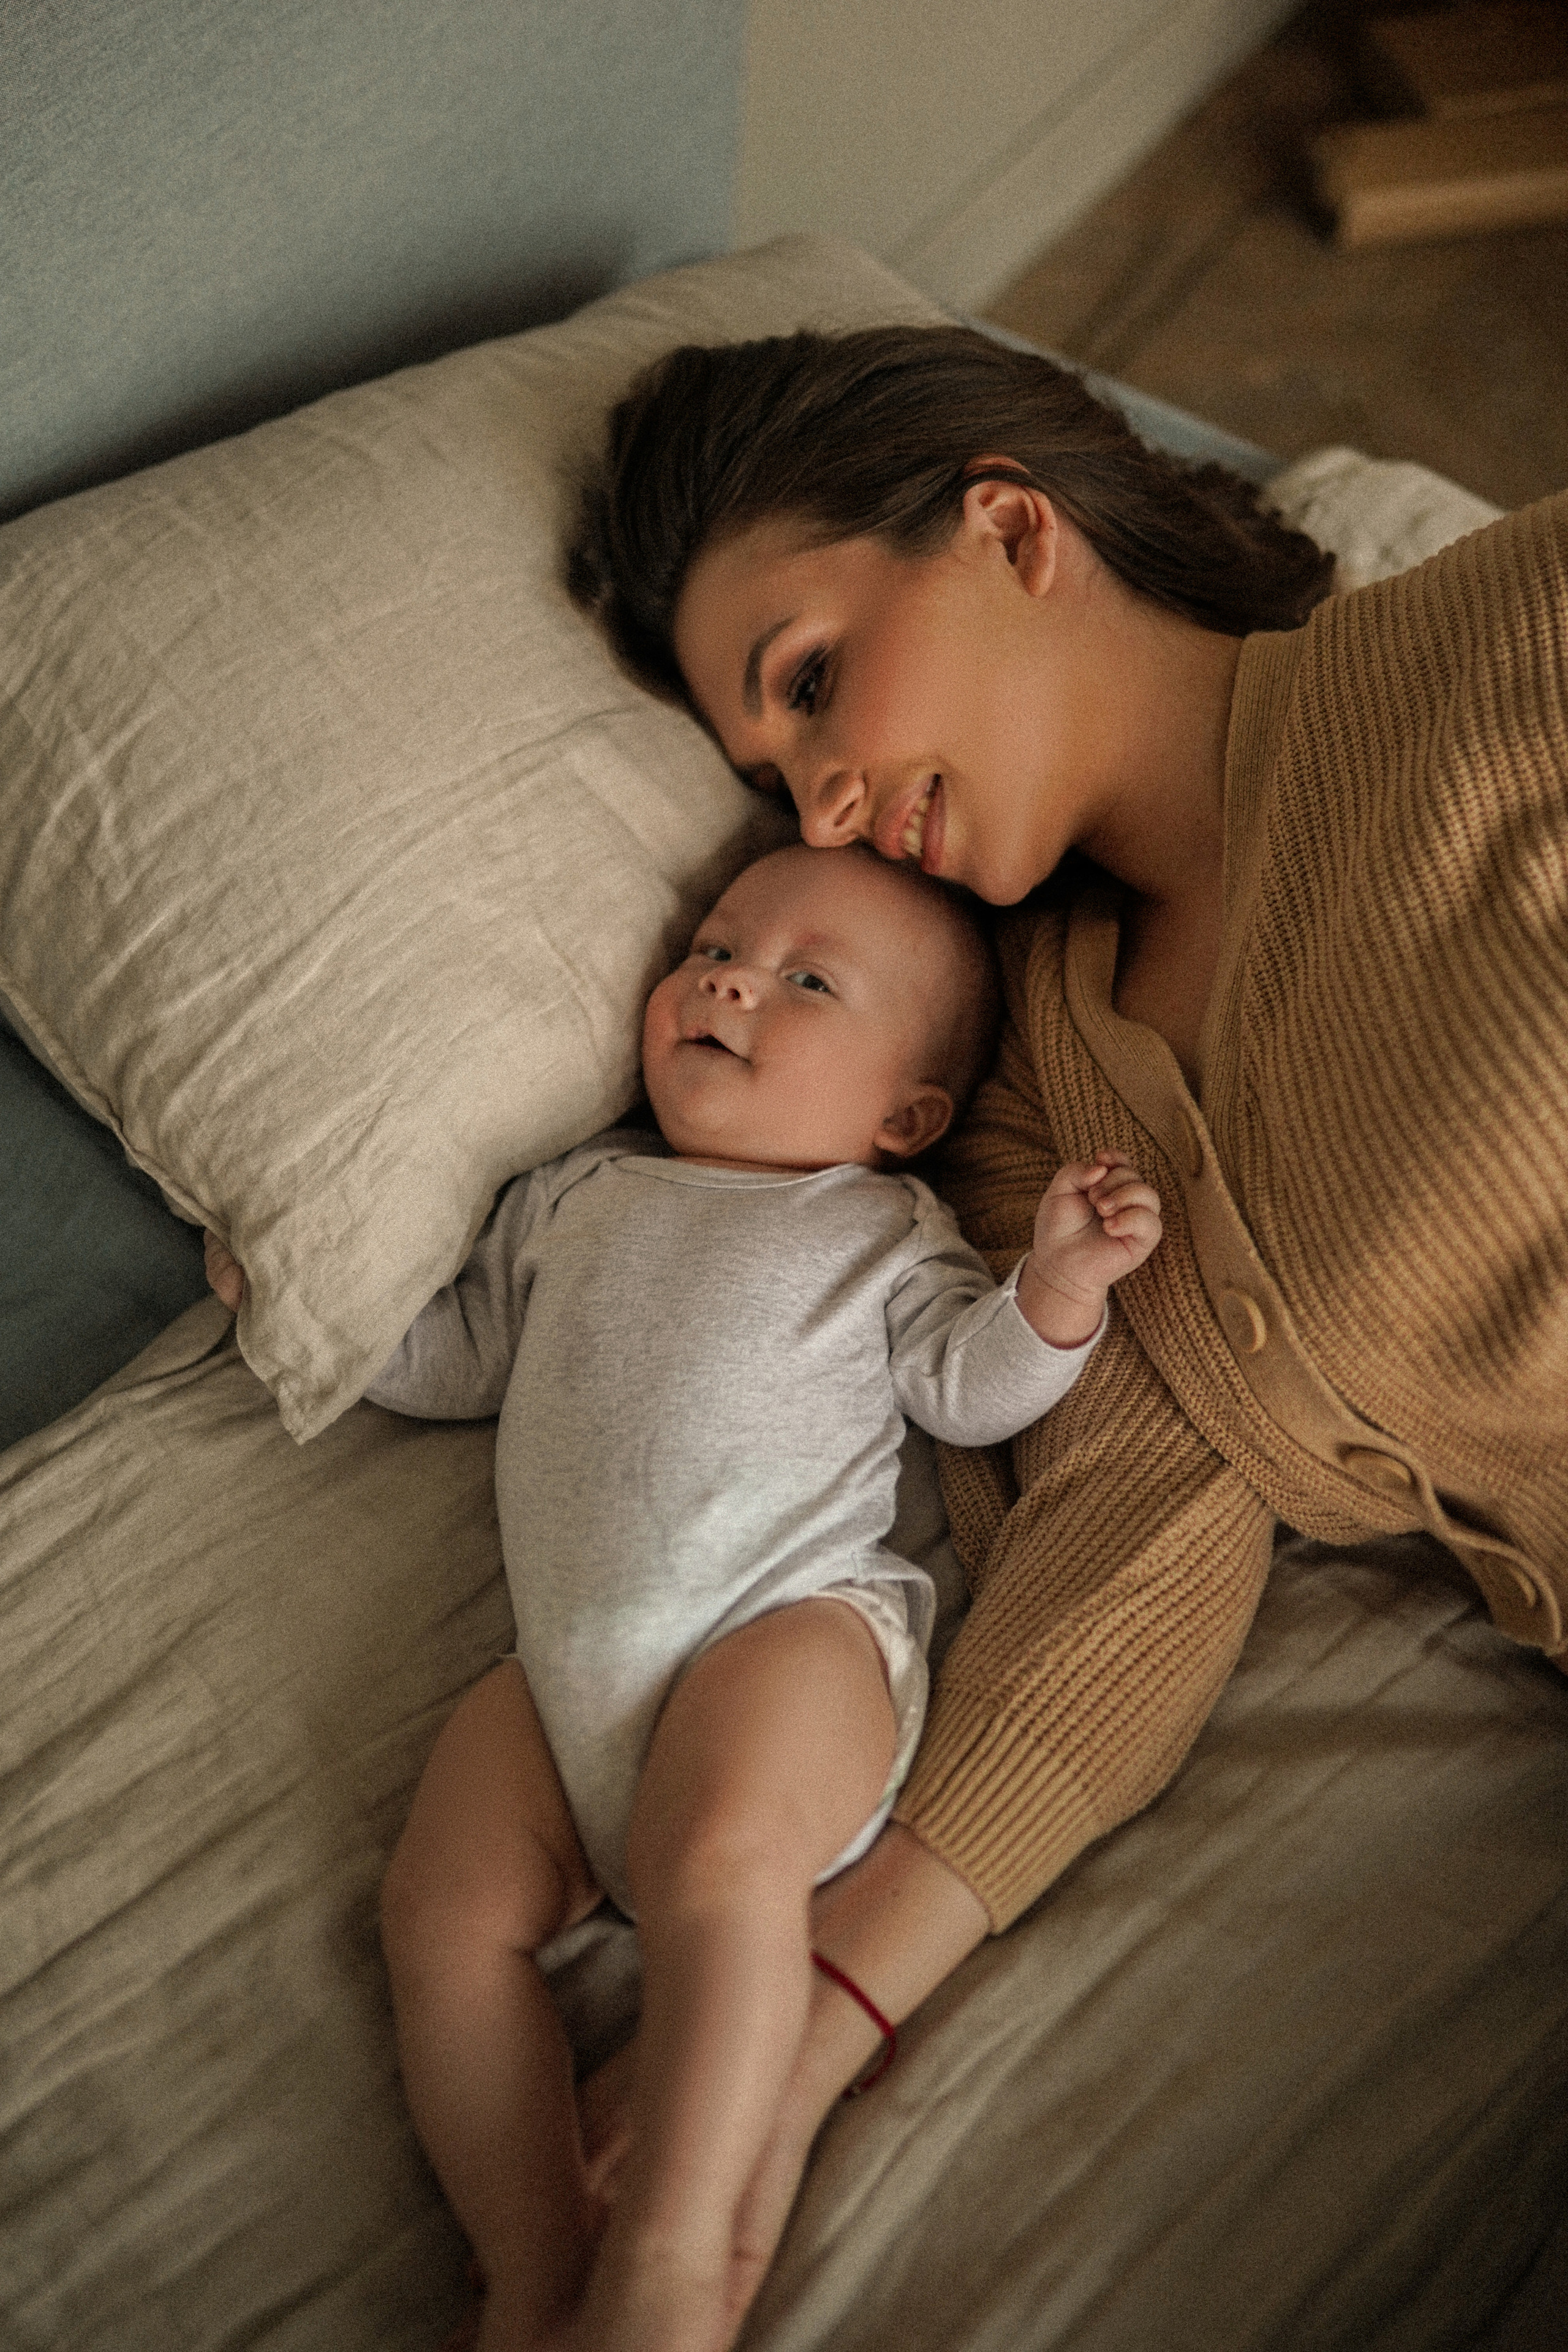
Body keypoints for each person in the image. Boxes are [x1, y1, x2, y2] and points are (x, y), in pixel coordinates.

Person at [568, 322, 1568, 2328]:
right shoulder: (1036, 1111)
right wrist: (809, 2036)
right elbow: (1135, 1538)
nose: (826, 808)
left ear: (1010, 530)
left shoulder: (1514, 643)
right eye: (774, 778)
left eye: (817, 683)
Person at [206, 839, 1164, 2352]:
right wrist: (299, 1302)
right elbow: (455, 1365)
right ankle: (530, 2262)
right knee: (439, 1913)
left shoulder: (877, 1228)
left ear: (899, 1116)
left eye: (803, 980)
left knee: (725, 1863)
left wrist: (1055, 1287)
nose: (726, 977)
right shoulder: (574, 1195)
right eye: (716, 943)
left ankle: (666, 2250)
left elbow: (974, 1393)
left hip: (790, 1628)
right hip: (566, 1667)